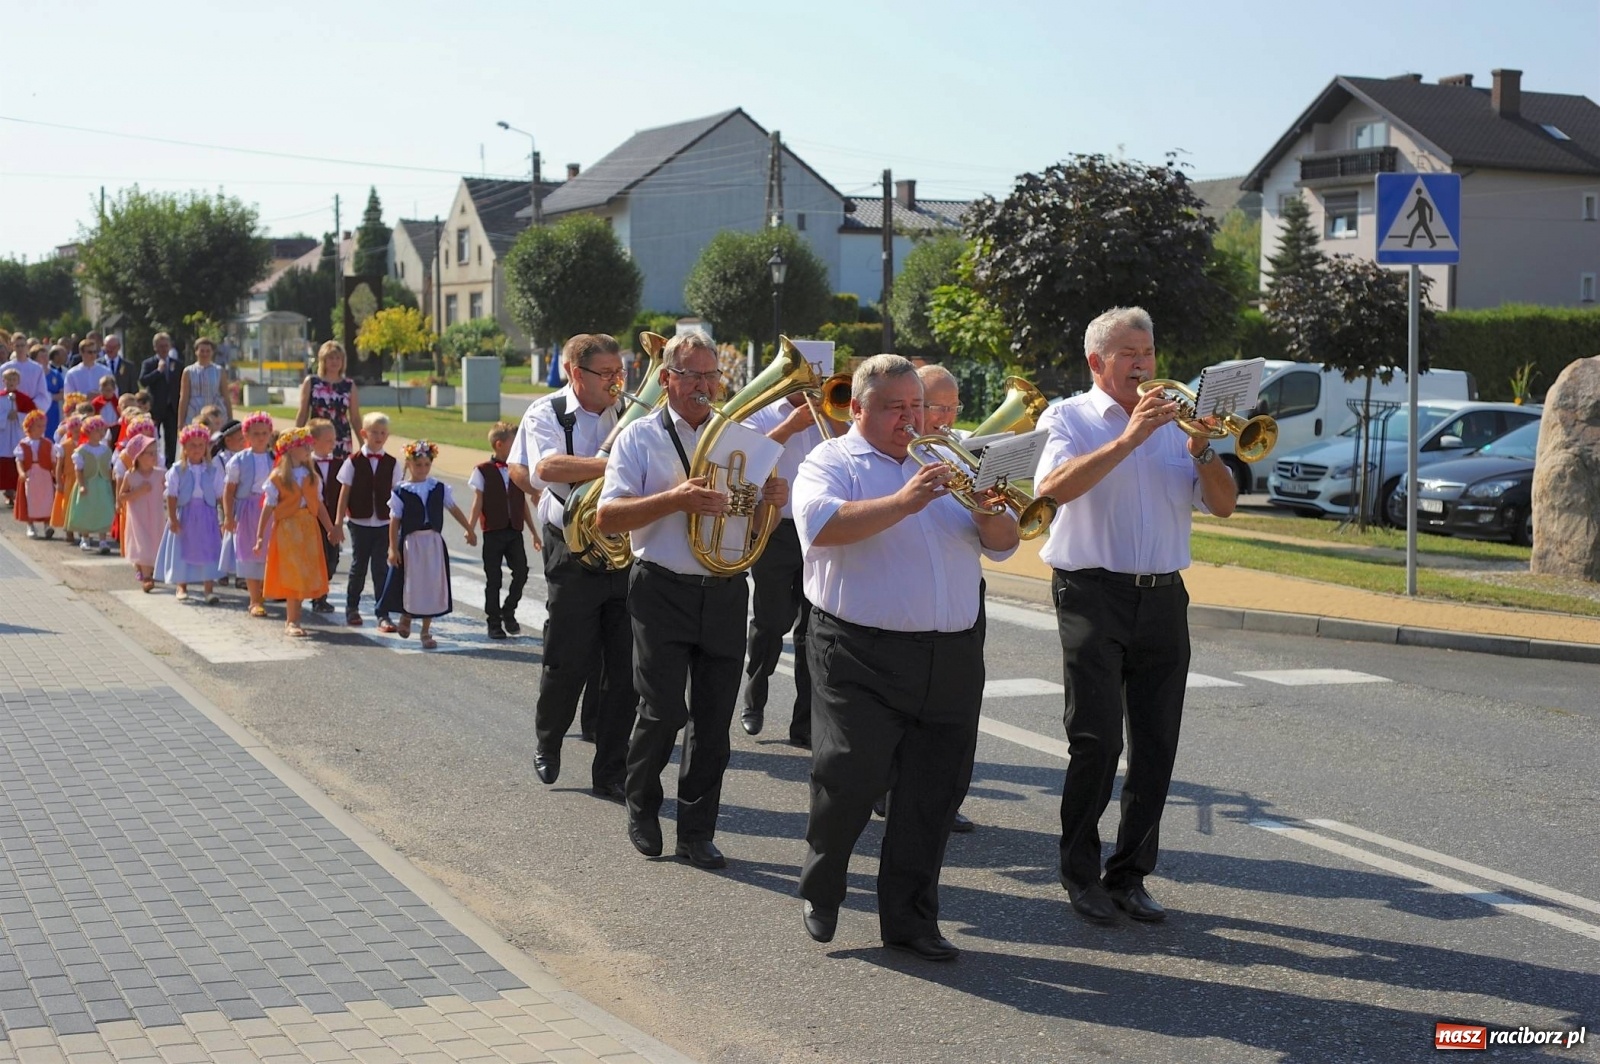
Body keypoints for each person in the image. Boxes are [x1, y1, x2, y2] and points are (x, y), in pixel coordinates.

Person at [791, 354, 1018, 961]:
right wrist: (907, 501)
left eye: (917, 407)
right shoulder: (830, 461)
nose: (911, 420)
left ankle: (911, 919)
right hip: (858, 650)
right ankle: (823, 886)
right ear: (858, 409)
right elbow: (821, 527)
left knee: (933, 790)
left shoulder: (952, 461)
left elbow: (1005, 544)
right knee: (849, 777)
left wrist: (988, 509)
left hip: (952, 653)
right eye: (895, 408)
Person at [1033, 306, 1237, 926]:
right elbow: (1053, 489)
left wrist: (1203, 450)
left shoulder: (1178, 421)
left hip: (1163, 596)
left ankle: (1130, 875)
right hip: (1091, 591)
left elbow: (1224, 506)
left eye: (1148, 353)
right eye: (1130, 355)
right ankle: (1080, 874)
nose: (1144, 366)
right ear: (1098, 363)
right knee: (1095, 740)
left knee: (1156, 745)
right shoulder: (1066, 416)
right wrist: (1129, 439)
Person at [596, 332, 787, 869]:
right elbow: (608, 517)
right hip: (661, 587)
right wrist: (674, 499)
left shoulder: (741, 437)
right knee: (661, 712)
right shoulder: (637, 438)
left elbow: (750, 521)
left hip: (724, 590)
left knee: (712, 720)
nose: (706, 387)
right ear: (667, 379)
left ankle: (697, 832)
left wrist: (772, 502)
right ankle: (641, 805)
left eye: (712, 377)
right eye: (694, 377)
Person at [510, 333, 633, 801]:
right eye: (607, 374)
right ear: (575, 374)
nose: (616, 382)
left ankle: (611, 770)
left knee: (625, 666)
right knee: (568, 657)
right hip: (571, 543)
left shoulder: (626, 411)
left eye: (620, 373)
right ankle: (549, 741)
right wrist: (616, 462)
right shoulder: (548, 412)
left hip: (623, 543)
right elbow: (546, 469)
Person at [738, 391, 843, 748]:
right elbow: (745, 456)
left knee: (812, 629)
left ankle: (804, 723)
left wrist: (837, 418)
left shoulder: (831, 410)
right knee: (771, 621)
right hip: (774, 527)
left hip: (815, 530)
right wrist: (791, 425)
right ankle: (755, 698)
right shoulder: (764, 413)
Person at [378, 440, 476, 650]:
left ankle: (425, 630)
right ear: (409, 464)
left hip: (432, 543)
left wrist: (468, 528)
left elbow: (453, 508)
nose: (422, 469)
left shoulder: (438, 488)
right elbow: (394, 522)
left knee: (431, 585)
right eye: (418, 465)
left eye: (426, 465)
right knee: (412, 583)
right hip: (411, 545)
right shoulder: (401, 491)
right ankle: (407, 615)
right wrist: (392, 547)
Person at [258, 427, 340, 638]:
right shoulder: (278, 477)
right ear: (290, 450)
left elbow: (319, 505)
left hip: (308, 530)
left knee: (304, 574)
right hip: (288, 530)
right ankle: (291, 620)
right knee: (293, 574)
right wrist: (260, 535)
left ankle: (295, 617)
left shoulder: (311, 476)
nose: (308, 449)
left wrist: (330, 528)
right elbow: (268, 506)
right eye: (303, 446)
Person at [468, 421, 536, 641]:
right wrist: (470, 529)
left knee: (522, 572)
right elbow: (477, 501)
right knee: (494, 579)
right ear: (499, 445)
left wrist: (534, 532)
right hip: (493, 532)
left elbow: (522, 503)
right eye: (513, 443)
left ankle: (509, 610)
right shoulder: (482, 471)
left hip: (514, 530)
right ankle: (494, 622)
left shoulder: (518, 469)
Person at [335, 412, 401, 631]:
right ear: (364, 434)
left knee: (381, 568)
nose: (379, 436)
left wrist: (399, 524)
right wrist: (338, 522)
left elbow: (396, 495)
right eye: (374, 432)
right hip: (359, 521)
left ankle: (383, 613)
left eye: (383, 433)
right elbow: (344, 493)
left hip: (383, 522)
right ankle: (352, 607)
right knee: (359, 565)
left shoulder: (392, 463)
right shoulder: (353, 461)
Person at [154, 424, 225, 603]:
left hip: (207, 515)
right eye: (192, 445)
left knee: (208, 550)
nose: (197, 449)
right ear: (184, 447)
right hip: (185, 513)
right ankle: (181, 585)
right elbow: (171, 495)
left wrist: (223, 518)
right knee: (182, 549)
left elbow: (219, 495)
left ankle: (208, 588)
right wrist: (172, 518)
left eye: (201, 445)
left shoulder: (212, 469)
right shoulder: (178, 470)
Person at [220, 412, 277, 617]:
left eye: (264, 433)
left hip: (271, 509)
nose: (261, 437)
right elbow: (229, 490)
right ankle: (254, 599)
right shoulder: (239, 460)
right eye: (255, 434)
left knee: (269, 552)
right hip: (248, 509)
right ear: (247, 436)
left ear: (270, 434)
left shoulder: (277, 458)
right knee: (250, 553)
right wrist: (228, 516)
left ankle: (264, 591)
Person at [295, 340, 361, 459]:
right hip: (316, 436)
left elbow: (355, 418)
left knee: (340, 474)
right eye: (331, 358)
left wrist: (363, 443)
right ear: (323, 360)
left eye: (338, 358)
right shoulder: (312, 382)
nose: (334, 361)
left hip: (341, 437)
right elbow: (303, 413)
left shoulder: (349, 385)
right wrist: (296, 437)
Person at [118, 434, 165, 592]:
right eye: (150, 453)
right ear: (138, 456)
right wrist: (138, 491)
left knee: (154, 543)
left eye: (155, 452)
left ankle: (146, 569)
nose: (154, 456)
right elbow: (122, 496)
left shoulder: (160, 474)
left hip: (156, 516)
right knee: (142, 543)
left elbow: (170, 491)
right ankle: (147, 577)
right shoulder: (131, 476)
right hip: (139, 518)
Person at [307, 419, 344, 614]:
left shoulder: (340, 464)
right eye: (328, 440)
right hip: (312, 520)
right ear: (313, 441)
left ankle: (320, 591)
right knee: (315, 559)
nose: (333, 444)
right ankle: (318, 597)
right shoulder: (306, 465)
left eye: (334, 440)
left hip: (333, 519)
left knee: (332, 558)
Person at [67, 416, 116, 552]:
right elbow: (79, 470)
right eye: (97, 431)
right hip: (88, 484)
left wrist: (111, 484)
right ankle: (85, 538)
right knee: (86, 511)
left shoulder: (106, 450)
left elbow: (108, 468)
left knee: (103, 510)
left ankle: (102, 540)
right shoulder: (82, 450)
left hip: (102, 485)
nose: (101, 433)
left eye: (102, 430)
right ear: (88, 432)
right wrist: (82, 485)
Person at [139, 332, 184, 466]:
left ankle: (169, 467)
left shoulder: (177, 364)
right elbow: (143, 381)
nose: (164, 349)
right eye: (161, 346)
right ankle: (153, 464)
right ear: (155, 348)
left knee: (171, 440)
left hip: (172, 408)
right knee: (153, 439)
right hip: (155, 408)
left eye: (166, 345)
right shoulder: (149, 363)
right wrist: (158, 372)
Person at [14, 410, 54, 538]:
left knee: (47, 499)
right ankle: (30, 525)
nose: (42, 429)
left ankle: (47, 525)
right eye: (38, 426)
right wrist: (21, 472)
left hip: (45, 475)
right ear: (29, 426)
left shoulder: (48, 443)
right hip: (30, 475)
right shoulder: (23, 444)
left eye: (43, 426)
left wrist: (55, 473)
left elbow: (53, 460)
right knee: (30, 499)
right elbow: (19, 460)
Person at [0, 367, 35, 506]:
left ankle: (17, 491)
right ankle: (8, 492)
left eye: (14, 379)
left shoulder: (24, 399)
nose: (11, 382)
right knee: (4, 463)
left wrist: (19, 416)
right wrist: (4, 416)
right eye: (8, 379)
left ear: (18, 381)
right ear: (3, 381)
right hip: (3, 435)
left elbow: (32, 417)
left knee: (18, 460)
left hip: (18, 434)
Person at [176, 338, 230, 427]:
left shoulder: (219, 370)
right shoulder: (188, 371)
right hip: (194, 412)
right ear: (196, 352)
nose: (205, 354)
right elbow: (184, 398)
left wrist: (230, 418)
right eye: (202, 351)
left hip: (215, 412)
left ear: (212, 352)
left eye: (208, 351)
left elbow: (226, 396)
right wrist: (180, 422)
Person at [50, 415, 82, 543]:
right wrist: (59, 481)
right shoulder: (64, 446)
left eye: (80, 431)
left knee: (80, 505)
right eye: (75, 431)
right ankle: (69, 531)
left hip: (80, 478)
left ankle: (81, 529)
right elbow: (59, 466)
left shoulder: (84, 444)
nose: (78, 434)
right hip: (68, 478)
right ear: (70, 431)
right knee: (68, 505)